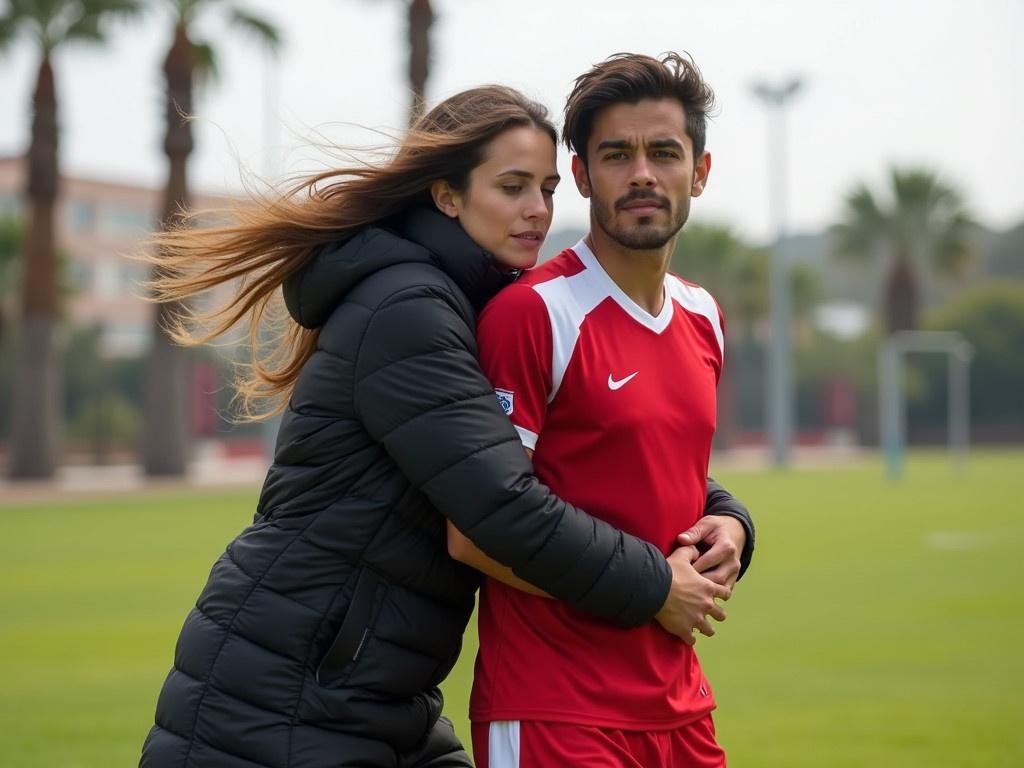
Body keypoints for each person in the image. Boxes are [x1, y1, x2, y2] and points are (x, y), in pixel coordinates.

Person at [139, 85, 753, 768]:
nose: (537, 210)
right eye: (512, 186)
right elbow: (498, 507)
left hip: (375, 688)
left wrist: (727, 514)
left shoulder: (468, 298)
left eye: (545, 188)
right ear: (447, 195)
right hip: (283, 692)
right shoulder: (409, 307)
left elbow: (609, 443)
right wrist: (656, 587)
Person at [449, 53, 746, 767]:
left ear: (699, 172)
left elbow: (661, 480)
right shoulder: (533, 314)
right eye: (617, 154)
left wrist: (732, 526)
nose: (642, 172)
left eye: (664, 152)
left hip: (681, 709)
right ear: (581, 176)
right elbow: (475, 531)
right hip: (556, 712)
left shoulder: (703, 316)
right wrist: (649, 590)